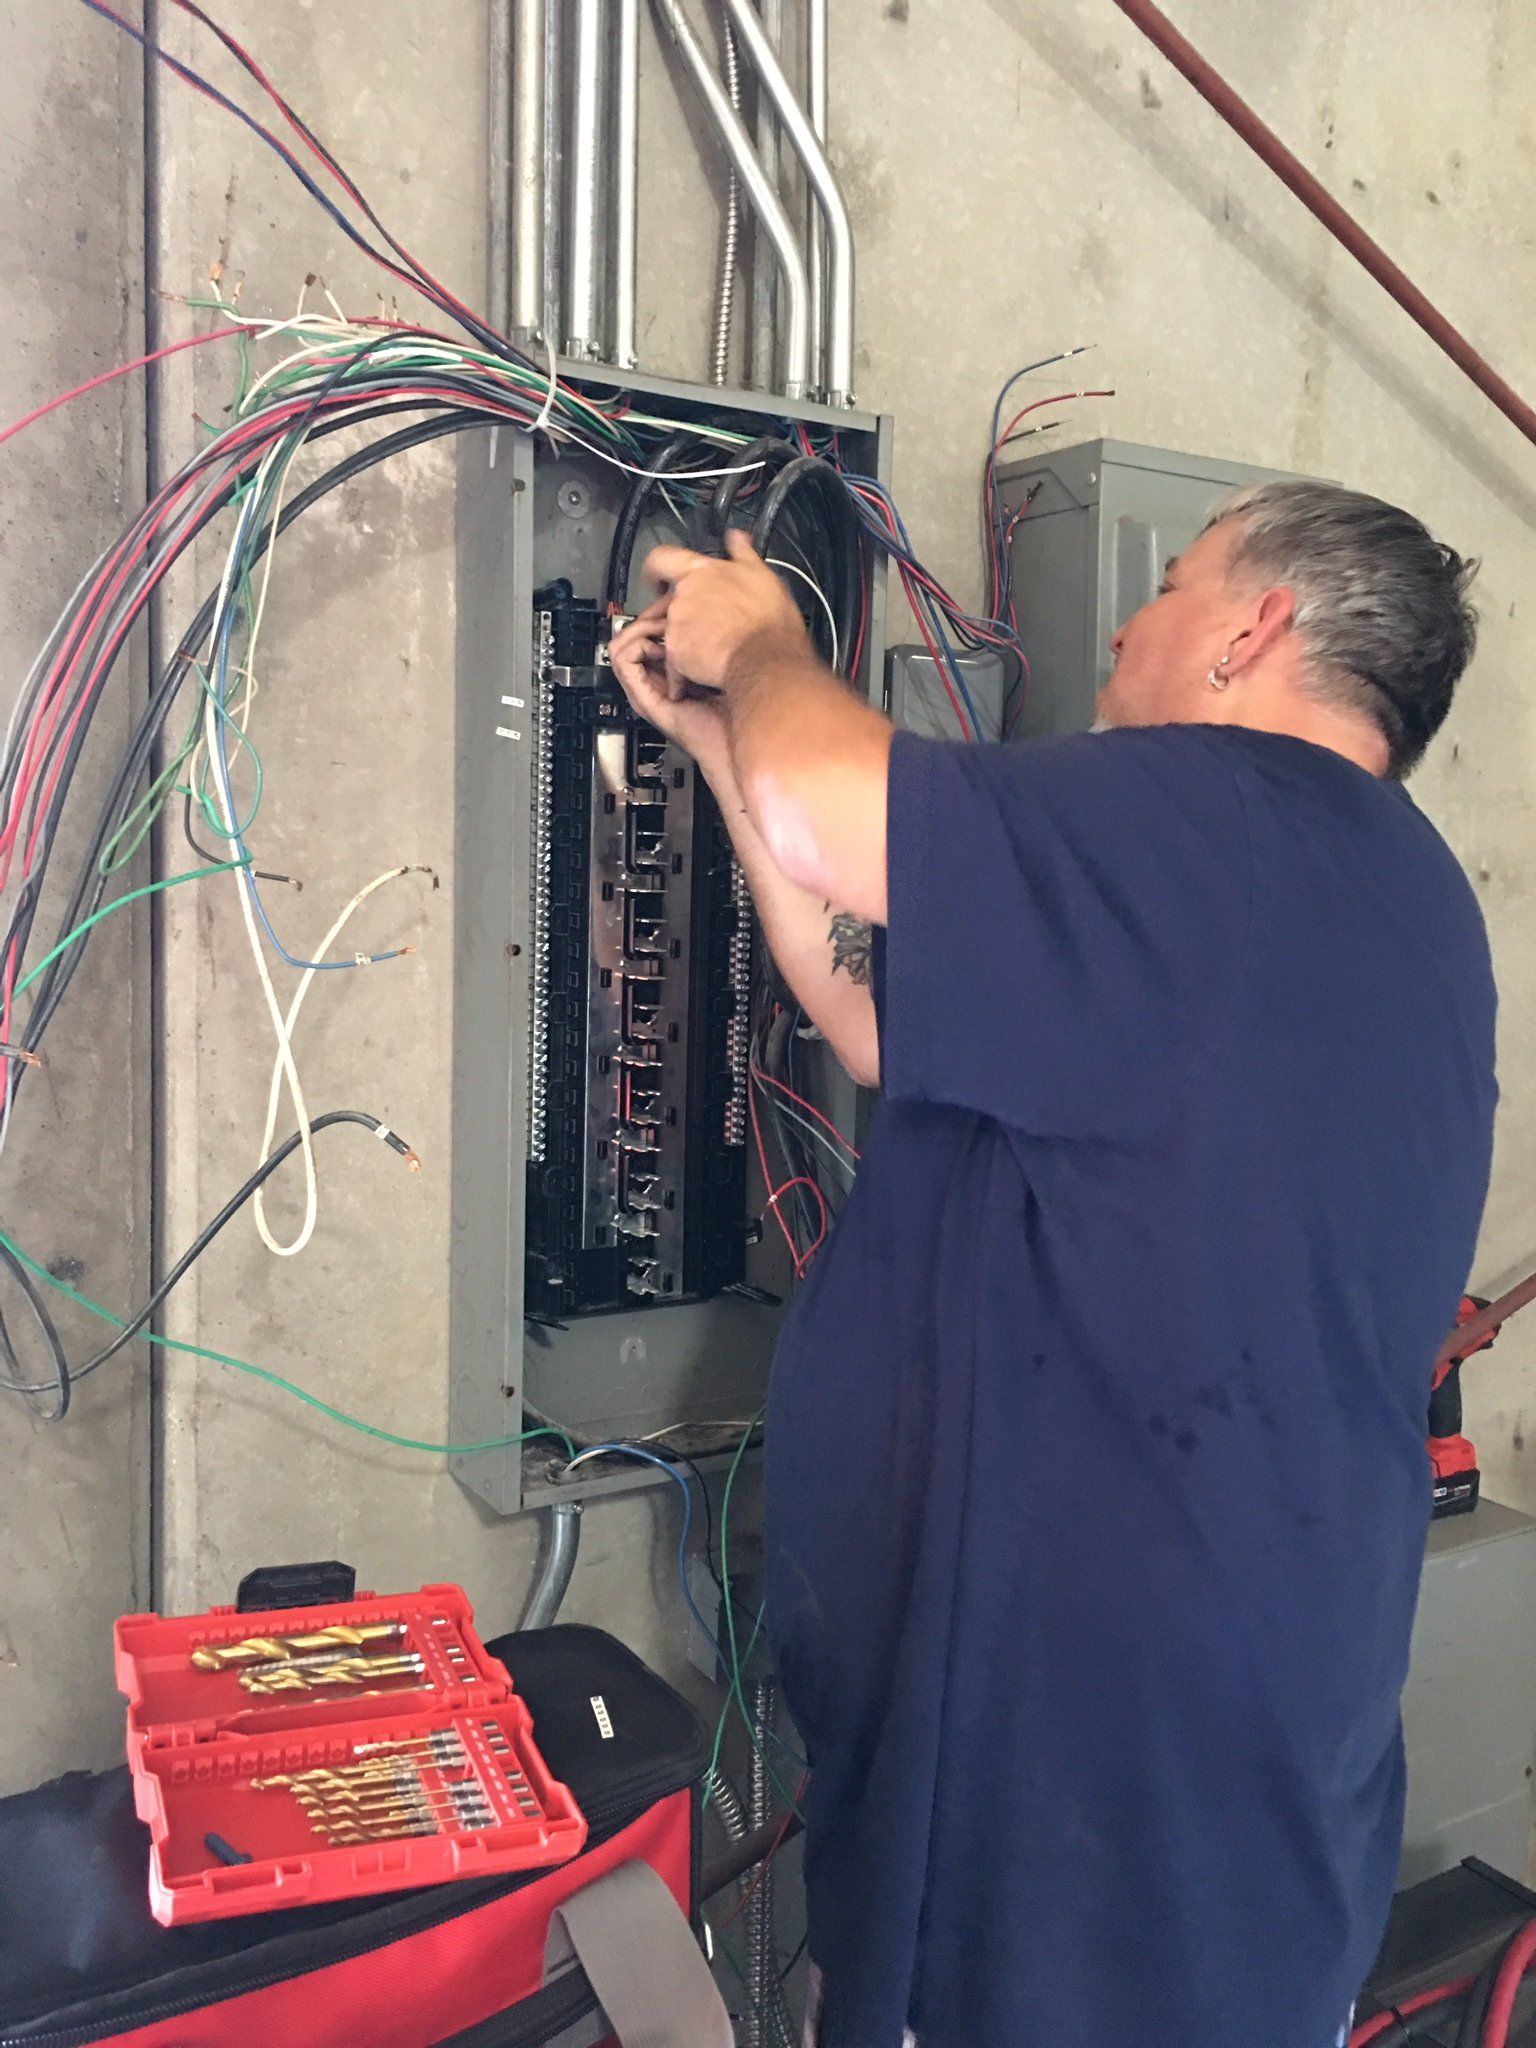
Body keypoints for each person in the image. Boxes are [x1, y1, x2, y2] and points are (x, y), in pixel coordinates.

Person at [609, 479, 1496, 2048]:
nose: (1128, 625)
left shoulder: (1214, 813)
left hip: (1083, 1862)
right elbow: (875, 1017)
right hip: (1207, 1826)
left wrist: (762, 646)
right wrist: (719, 747)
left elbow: (836, 809)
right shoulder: (1382, 900)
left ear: (1253, 630)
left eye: (1172, 588)